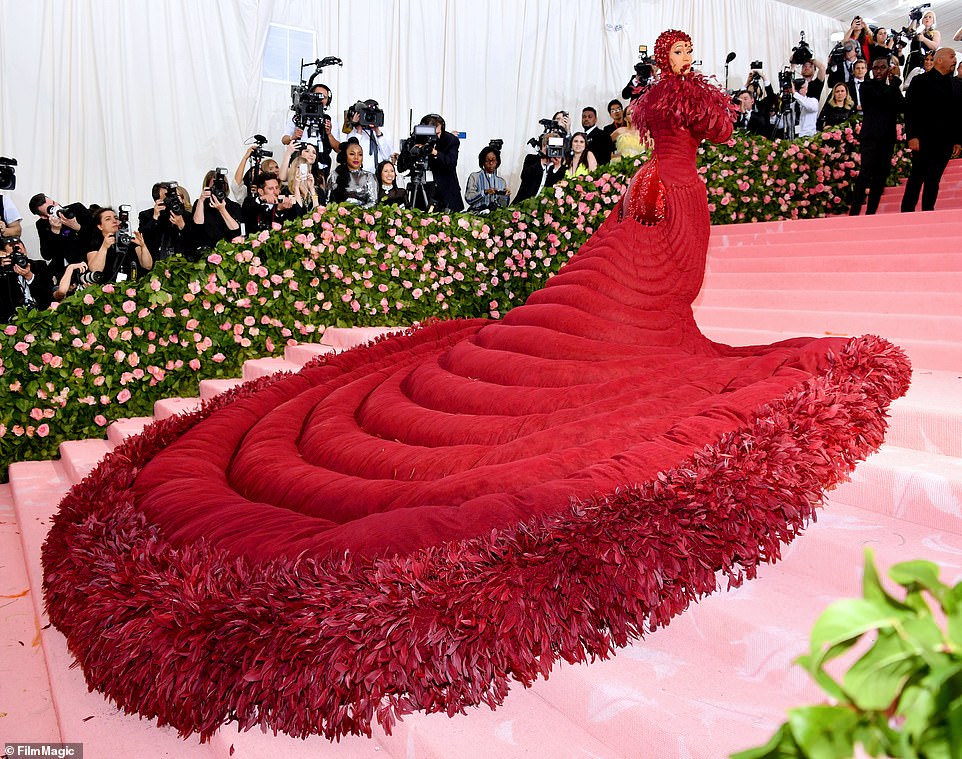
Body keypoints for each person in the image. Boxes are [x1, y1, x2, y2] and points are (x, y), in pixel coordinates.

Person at [42, 29, 911, 745]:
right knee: (592, 307)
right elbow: (659, 135)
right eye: (671, 58)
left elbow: (707, 131)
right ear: (659, 61)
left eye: (683, 57)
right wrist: (651, 142)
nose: (677, 67)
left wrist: (673, 130)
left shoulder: (685, 117)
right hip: (651, 195)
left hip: (671, 193)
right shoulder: (651, 112)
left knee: (637, 298)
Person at [900, 47, 962, 212]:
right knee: (917, 177)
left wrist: (957, 140)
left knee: (934, 179)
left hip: (945, 142)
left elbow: (958, 115)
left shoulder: (956, 85)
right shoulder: (920, 81)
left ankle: (928, 211)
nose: (954, 60)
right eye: (952, 56)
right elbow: (910, 110)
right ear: (939, 60)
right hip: (922, 139)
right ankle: (906, 212)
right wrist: (912, 136)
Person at [850, 58, 904, 216]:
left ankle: (871, 212)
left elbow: (902, 106)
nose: (879, 71)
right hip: (871, 137)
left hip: (887, 137)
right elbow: (879, 98)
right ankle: (854, 212)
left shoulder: (892, 88)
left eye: (882, 67)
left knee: (881, 175)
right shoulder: (866, 86)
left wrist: (895, 85)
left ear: (889, 69)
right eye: (875, 68)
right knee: (865, 173)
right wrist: (894, 85)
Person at [27, 194, 94, 280]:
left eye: (54, 203)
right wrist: (55, 232)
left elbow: (96, 234)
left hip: (88, 260)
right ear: (43, 216)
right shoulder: (42, 225)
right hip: (64, 269)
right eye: (50, 209)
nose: (56, 208)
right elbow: (46, 255)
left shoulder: (76, 209)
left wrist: (77, 227)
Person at [87, 207, 152, 283]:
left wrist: (143, 246)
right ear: (100, 226)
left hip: (131, 287)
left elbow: (148, 265)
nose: (114, 221)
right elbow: (95, 269)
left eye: (116, 218)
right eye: (108, 219)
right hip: (106, 289)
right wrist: (104, 247)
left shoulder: (128, 240)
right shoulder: (95, 244)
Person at [0, 237, 53, 322]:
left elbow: (48, 297)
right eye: (13, 256)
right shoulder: (3, 274)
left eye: (21, 253)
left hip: (44, 314)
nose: (19, 258)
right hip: (15, 321)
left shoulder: (39, 266)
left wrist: (29, 276)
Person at [138, 182, 194, 261]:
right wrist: (155, 218)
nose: (171, 200)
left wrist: (182, 225)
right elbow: (144, 239)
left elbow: (194, 239)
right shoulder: (147, 215)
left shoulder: (185, 214)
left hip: (183, 262)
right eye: (167, 197)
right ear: (157, 200)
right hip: (158, 261)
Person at [421, 114, 464, 212]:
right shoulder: (418, 139)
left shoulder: (451, 140)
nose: (435, 137)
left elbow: (451, 163)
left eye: (438, 133)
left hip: (446, 190)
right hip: (424, 189)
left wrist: (434, 152)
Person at [191, 170, 243, 251]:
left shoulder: (233, 206)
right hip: (206, 251)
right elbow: (197, 225)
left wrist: (222, 210)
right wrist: (201, 201)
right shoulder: (200, 204)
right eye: (214, 187)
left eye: (220, 186)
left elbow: (236, 230)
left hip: (228, 250)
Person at [344, 99, 395, 173]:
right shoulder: (353, 132)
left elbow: (386, 156)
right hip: (359, 174)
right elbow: (350, 152)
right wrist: (358, 128)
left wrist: (377, 131)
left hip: (378, 174)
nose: (370, 117)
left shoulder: (384, 132)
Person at [513, 132, 565, 204]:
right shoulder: (531, 159)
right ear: (543, 146)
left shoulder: (561, 167)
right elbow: (525, 176)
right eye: (550, 146)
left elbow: (556, 187)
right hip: (524, 202)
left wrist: (557, 166)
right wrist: (542, 159)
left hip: (544, 207)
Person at [329, 138, 377, 208]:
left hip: (363, 216)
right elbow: (328, 201)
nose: (356, 157)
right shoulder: (334, 175)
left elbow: (373, 202)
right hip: (338, 215)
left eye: (360, 154)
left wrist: (357, 213)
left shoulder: (369, 176)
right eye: (352, 154)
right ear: (345, 156)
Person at [464, 147, 510, 213]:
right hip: (476, 215)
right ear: (482, 162)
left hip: (495, 215)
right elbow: (469, 198)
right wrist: (485, 192)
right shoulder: (474, 177)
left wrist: (505, 196)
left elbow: (503, 205)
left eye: (493, 160)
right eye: (487, 160)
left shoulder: (501, 181)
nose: (491, 163)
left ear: (497, 161)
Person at [904, 10, 941, 76]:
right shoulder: (918, 29)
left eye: (930, 17)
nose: (927, 18)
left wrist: (923, 39)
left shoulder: (935, 32)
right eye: (925, 17)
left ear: (933, 21)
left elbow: (935, 46)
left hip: (926, 59)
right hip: (913, 58)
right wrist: (914, 19)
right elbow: (909, 33)